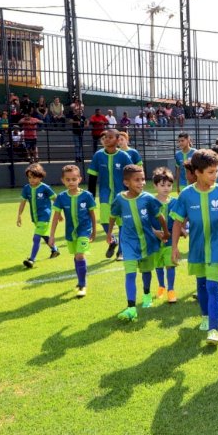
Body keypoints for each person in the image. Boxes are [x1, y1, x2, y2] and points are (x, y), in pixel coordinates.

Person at [172, 150, 218, 345]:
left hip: (217, 246)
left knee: (213, 287)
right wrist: (174, 247)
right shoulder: (186, 195)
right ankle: (206, 316)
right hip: (197, 247)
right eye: (210, 172)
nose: (215, 176)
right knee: (202, 285)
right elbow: (177, 222)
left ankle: (214, 329)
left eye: (216, 171)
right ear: (197, 172)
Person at [109, 165, 168, 321]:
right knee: (130, 274)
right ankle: (131, 307)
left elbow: (159, 216)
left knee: (146, 272)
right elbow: (113, 215)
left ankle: (147, 294)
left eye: (142, 179)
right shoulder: (120, 199)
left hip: (147, 241)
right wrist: (109, 233)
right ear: (126, 182)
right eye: (137, 180)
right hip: (128, 242)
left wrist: (166, 232)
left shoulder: (148, 198)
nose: (141, 182)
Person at [48, 165, 97, 298]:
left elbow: (92, 214)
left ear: (79, 179)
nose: (71, 182)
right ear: (63, 180)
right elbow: (56, 217)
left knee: (80, 255)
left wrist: (94, 231)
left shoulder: (87, 196)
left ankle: (82, 285)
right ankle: (80, 280)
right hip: (70, 233)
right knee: (76, 256)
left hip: (84, 231)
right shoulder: (61, 197)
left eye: (74, 179)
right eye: (68, 179)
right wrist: (51, 236)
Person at [87, 129, 134, 261]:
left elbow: (131, 175)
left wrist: (131, 192)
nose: (107, 139)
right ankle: (113, 240)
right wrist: (91, 196)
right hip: (105, 195)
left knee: (121, 224)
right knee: (104, 221)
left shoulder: (124, 156)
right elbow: (92, 177)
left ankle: (121, 252)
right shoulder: (98, 156)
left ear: (117, 140)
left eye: (110, 137)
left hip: (122, 196)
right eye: (105, 137)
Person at [17, 163, 61, 268]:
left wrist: (59, 213)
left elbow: (55, 199)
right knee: (44, 235)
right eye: (29, 177)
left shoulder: (45, 188)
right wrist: (19, 215)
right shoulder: (26, 188)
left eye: (34, 177)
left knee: (36, 238)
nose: (31, 180)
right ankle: (55, 250)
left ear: (40, 177)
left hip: (44, 216)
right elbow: (23, 202)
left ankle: (32, 259)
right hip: (35, 217)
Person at [151, 167, 178, 304]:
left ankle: (171, 290)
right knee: (158, 265)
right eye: (162, 185)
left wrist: (183, 230)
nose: (166, 188)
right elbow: (144, 221)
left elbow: (180, 220)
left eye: (169, 185)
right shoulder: (150, 202)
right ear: (155, 186)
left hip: (170, 241)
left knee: (170, 265)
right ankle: (161, 286)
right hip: (155, 240)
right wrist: (154, 232)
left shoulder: (175, 202)